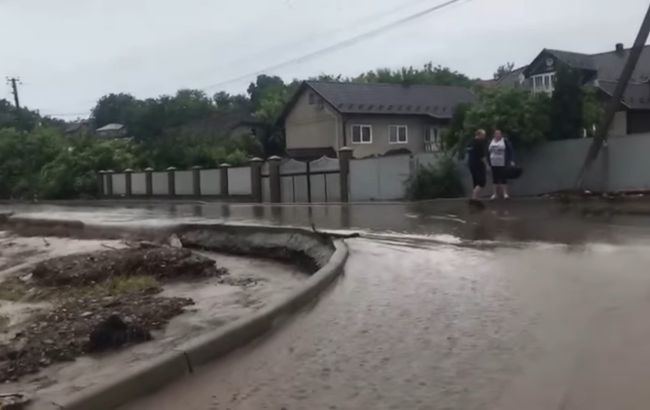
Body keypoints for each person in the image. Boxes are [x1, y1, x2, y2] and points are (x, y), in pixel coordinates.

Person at [488, 129, 515, 199]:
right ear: (494, 135)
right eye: (496, 134)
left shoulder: (505, 141)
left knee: (503, 178)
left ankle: (505, 193)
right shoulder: (491, 142)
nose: (497, 135)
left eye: (499, 134)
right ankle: (494, 194)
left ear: (501, 134)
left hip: (503, 162)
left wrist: (511, 160)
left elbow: (510, 150)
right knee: (495, 178)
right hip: (493, 163)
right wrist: (488, 162)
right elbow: (487, 152)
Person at [467, 129, 488, 200]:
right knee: (482, 182)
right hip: (479, 165)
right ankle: (474, 198)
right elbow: (482, 157)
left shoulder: (470, 142)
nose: (484, 137)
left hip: (471, 164)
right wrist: (487, 165)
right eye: (484, 135)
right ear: (480, 135)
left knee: (475, 182)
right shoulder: (480, 143)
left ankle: (476, 198)